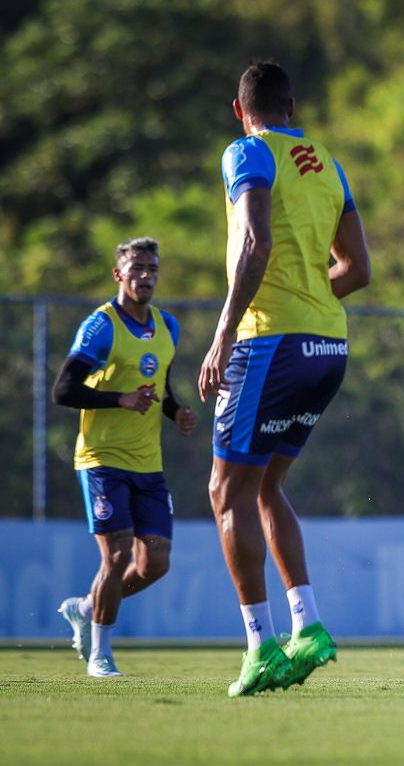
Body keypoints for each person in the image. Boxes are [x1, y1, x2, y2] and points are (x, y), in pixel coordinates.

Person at [197, 61, 370, 697]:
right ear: (291, 106)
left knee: (224, 490)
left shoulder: (245, 152)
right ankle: (309, 626)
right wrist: (309, 300)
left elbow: (255, 245)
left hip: (270, 343)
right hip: (329, 344)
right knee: (266, 486)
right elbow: (357, 269)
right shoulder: (327, 161)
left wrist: (221, 334)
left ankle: (259, 647)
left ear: (238, 110)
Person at [54, 237, 197, 678]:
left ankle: (84, 606)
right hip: (102, 459)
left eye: (152, 268)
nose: (145, 276)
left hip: (147, 464)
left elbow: (161, 391)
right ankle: (100, 654)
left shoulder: (166, 326)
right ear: (119, 275)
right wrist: (120, 400)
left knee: (155, 564)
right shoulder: (101, 327)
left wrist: (176, 413)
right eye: (136, 269)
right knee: (116, 557)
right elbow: (64, 390)